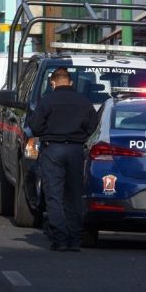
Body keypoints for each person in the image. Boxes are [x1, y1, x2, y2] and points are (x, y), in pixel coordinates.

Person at [25, 67, 98, 252]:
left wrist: (46, 133)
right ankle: (74, 239)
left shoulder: (47, 101)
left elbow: (34, 126)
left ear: (52, 82)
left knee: (54, 195)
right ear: (71, 82)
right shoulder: (84, 102)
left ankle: (60, 239)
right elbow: (93, 125)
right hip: (75, 150)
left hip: (53, 149)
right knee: (74, 195)